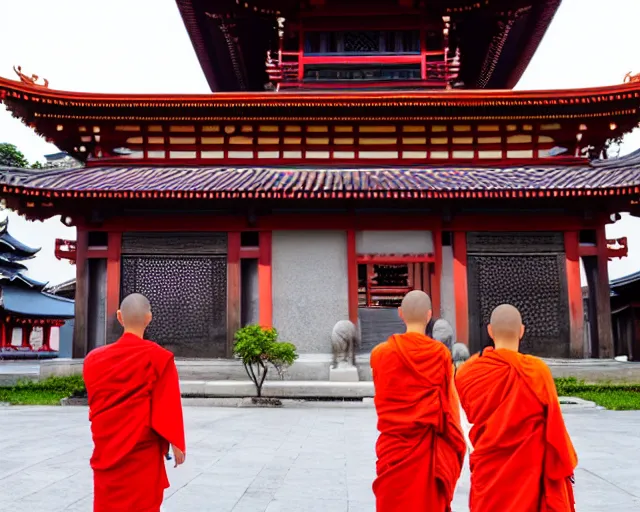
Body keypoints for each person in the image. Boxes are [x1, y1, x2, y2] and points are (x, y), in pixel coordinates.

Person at [455, 304, 577, 512]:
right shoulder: (537, 371)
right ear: (522, 331)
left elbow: (470, 411)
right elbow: (554, 426)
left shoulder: (468, 372)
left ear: (490, 331)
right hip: (530, 473)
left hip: (490, 472)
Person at [83, 293, 186, 512]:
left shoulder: (93, 359)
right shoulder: (159, 357)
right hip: (142, 453)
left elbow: (96, 401)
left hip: (107, 450)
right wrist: (177, 443)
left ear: (119, 317)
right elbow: (167, 405)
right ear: (149, 318)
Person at [371, 290, 466, 512]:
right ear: (429, 315)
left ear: (400, 314)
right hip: (427, 451)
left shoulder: (380, 354)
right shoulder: (440, 354)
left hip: (393, 450)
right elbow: (449, 406)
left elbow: (384, 394)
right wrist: (458, 441)